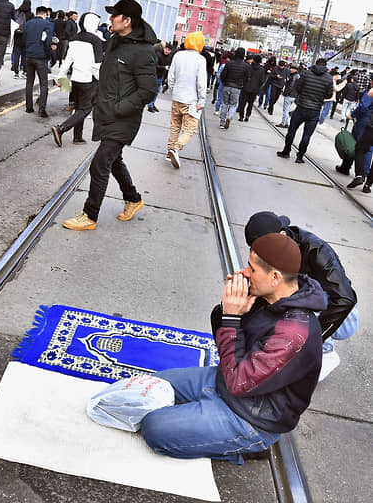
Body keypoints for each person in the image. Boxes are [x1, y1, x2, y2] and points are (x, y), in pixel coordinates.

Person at [141, 233, 325, 463]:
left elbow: (240, 383)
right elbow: (228, 349)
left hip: (252, 417)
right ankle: (206, 412)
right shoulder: (269, 298)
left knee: (154, 429)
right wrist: (230, 308)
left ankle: (246, 447)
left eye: (252, 269)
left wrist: (231, 318)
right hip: (225, 381)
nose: (244, 273)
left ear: (275, 277)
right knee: (150, 386)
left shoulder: (293, 332)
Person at [62, 0, 156, 231]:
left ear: (127, 21)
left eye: (114, 15)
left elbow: (147, 90)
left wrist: (119, 108)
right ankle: (133, 199)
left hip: (123, 117)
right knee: (114, 161)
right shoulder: (115, 42)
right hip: (107, 112)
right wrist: (97, 98)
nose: (110, 19)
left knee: (100, 163)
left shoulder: (143, 51)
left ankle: (90, 215)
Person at [244, 211, 358, 381]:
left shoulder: (317, 251)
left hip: (342, 314)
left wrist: (312, 340)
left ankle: (326, 352)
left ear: (282, 235)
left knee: (294, 298)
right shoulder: (275, 247)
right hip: (307, 299)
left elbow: (345, 299)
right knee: (277, 291)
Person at [52, 12, 103, 146]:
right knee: (85, 109)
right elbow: (96, 66)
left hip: (75, 79)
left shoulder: (75, 38)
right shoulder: (96, 40)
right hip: (89, 80)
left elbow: (67, 60)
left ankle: (77, 137)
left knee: (79, 108)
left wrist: (61, 77)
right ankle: (61, 128)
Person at [277, 58, 333, 163]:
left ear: (316, 64)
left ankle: (286, 151)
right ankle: (300, 156)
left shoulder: (306, 73)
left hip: (301, 107)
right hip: (315, 110)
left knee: (292, 130)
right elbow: (328, 95)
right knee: (307, 135)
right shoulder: (329, 78)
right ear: (326, 66)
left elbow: (297, 88)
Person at [165, 31, 206, 169]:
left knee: (175, 125)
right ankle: (176, 149)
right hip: (192, 100)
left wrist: (172, 90)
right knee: (190, 128)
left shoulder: (178, 55)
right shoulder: (200, 59)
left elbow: (171, 76)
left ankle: (169, 151)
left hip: (177, 97)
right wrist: (202, 101)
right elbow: (201, 82)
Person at [336, 76, 373, 177]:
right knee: (369, 148)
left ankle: (346, 167)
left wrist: (353, 114)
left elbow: (363, 107)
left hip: (364, 122)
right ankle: (364, 174)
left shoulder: (370, 92)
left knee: (354, 144)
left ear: (371, 82)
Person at [23, 5, 52, 118]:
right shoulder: (47, 24)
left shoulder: (28, 23)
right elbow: (48, 42)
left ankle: (28, 107)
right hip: (41, 57)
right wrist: (47, 55)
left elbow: (24, 39)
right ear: (45, 14)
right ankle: (42, 109)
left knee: (29, 82)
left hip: (29, 55)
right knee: (43, 83)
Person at [347, 87, 373, 193]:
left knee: (361, 148)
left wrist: (353, 115)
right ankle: (368, 185)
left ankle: (360, 175)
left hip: (371, 127)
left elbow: (370, 95)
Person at [219, 47, 250, 130]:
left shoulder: (229, 63)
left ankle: (222, 122)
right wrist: (242, 85)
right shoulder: (245, 66)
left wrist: (225, 83)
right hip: (237, 88)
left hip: (227, 86)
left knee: (225, 104)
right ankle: (229, 117)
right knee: (233, 105)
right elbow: (247, 78)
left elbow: (222, 75)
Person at [238, 54, 265, 122]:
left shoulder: (248, 67)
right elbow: (262, 81)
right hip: (254, 89)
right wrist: (258, 89)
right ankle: (247, 115)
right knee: (250, 103)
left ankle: (241, 116)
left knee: (243, 103)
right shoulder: (262, 70)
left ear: (254, 60)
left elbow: (244, 76)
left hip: (246, 87)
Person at [147, 42, 173, 113]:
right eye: (166, 49)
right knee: (153, 91)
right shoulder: (158, 54)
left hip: (161, 76)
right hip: (154, 75)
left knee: (157, 91)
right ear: (164, 48)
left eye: (169, 50)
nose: (167, 51)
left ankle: (152, 104)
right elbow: (155, 65)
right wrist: (164, 67)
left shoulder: (170, 56)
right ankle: (150, 105)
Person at [12, 0, 33, 79]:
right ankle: (24, 72)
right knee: (24, 55)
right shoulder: (31, 14)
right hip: (26, 37)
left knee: (16, 54)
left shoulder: (17, 11)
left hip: (17, 35)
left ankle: (16, 73)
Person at [276, 62, 300, 128]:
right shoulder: (298, 76)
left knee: (285, 110)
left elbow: (291, 86)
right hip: (293, 95)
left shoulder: (294, 76)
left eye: (292, 68)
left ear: (296, 69)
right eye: (290, 68)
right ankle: (286, 123)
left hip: (289, 95)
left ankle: (284, 123)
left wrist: (286, 93)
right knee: (286, 109)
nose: (290, 69)